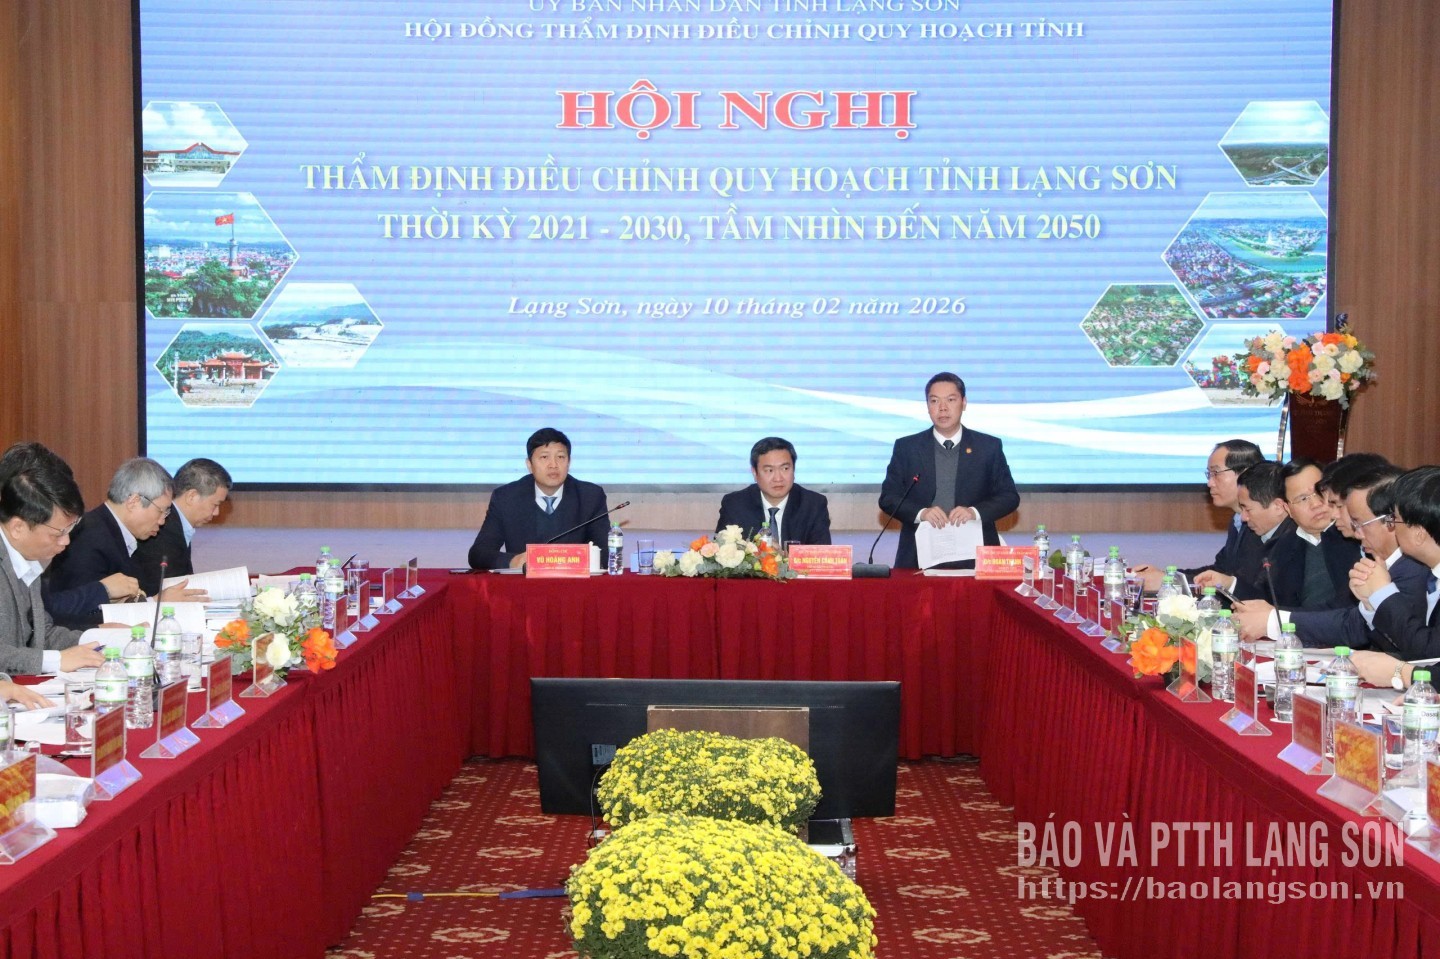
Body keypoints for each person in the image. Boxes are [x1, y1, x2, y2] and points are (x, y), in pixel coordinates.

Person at [43, 457, 206, 628]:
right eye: (161, 511)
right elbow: (78, 611)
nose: (162, 521)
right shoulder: (88, 536)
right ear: (133, 502)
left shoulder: (116, 531)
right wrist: (154, 603)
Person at [879, 372, 1019, 570]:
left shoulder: (988, 447)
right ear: (927, 406)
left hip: (976, 554)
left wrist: (974, 512)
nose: (942, 408)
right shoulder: (907, 448)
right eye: (934, 401)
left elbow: (1009, 497)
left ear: (964, 403)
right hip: (918, 555)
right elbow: (888, 498)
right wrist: (922, 513)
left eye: (950, 400)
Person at [0, 444, 106, 676]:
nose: (66, 541)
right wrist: (56, 660)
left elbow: (41, 635)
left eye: (70, 530)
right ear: (18, 527)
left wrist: (102, 640)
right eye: (58, 533)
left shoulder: (28, 556)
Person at [467, 428, 611, 570]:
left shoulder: (590, 497)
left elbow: (606, 554)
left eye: (560, 457)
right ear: (529, 465)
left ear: (569, 462)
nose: (553, 465)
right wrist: (513, 561)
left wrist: (570, 561)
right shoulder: (506, 498)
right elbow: (478, 553)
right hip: (523, 584)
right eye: (544, 457)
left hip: (574, 583)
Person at [1139, 439, 1266, 591]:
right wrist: (1167, 576)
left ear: (1245, 474)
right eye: (1209, 474)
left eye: (1216, 473)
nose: (1209, 483)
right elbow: (1219, 572)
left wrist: (1169, 582)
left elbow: (1245, 586)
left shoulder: (1261, 525)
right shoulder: (1238, 521)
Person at [1350, 466, 1440, 661]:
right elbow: (1409, 645)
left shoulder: (1419, 573)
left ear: (1419, 533)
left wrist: (1383, 593)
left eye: (1394, 519)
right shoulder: (1433, 576)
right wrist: (1371, 602)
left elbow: (1429, 652)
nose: (1391, 527)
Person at [133, 457, 231, 596]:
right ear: (192, 496)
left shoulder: (176, 523)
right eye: (215, 504)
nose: (216, 513)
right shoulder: (160, 528)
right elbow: (167, 590)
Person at [716, 437, 830, 546]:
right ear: (755, 473)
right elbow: (720, 553)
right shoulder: (734, 505)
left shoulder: (813, 505)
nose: (778, 478)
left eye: (785, 468)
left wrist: (782, 556)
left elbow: (821, 554)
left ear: (794, 469)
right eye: (769, 470)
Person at [1221, 461, 1296, 600]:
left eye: (1247, 509)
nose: (1243, 518)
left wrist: (1230, 584)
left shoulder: (1294, 542)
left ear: (1278, 506)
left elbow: (1270, 600)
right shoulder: (1255, 533)